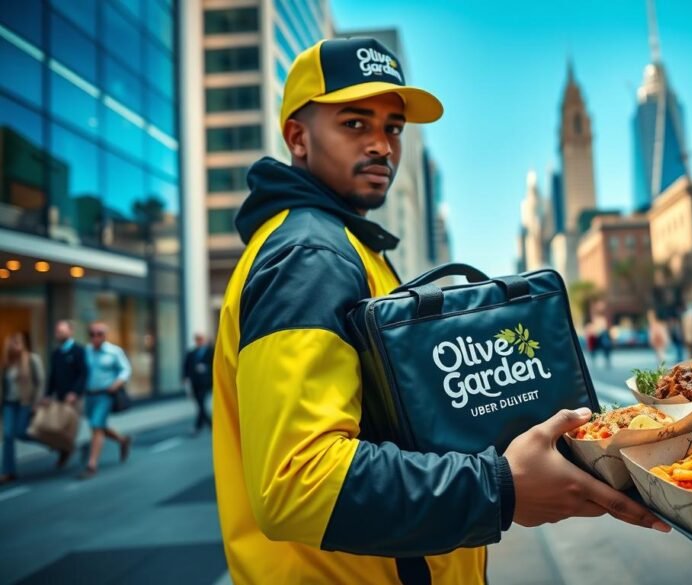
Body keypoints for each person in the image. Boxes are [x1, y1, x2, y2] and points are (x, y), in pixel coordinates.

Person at [209, 38, 666, 584]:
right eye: (355, 124)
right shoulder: (310, 257)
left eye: (394, 128)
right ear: (298, 137)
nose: (382, 145)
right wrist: (501, 487)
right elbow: (297, 480)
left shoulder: (348, 248)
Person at [81, 322, 132, 479]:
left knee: (96, 426)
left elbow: (126, 370)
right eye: (92, 334)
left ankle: (92, 464)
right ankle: (122, 440)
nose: (95, 337)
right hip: (89, 395)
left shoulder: (114, 351)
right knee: (97, 425)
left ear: (105, 335)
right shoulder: (86, 351)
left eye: (99, 334)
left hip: (106, 394)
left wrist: (116, 384)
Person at [1, 332, 45, 485]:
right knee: (8, 435)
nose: (16, 346)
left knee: (21, 432)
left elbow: (40, 382)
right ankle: (8, 471)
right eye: (13, 343)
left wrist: (36, 402)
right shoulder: (6, 364)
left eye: (18, 343)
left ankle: (51, 441)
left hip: (25, 403)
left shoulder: (32, 359)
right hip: (9, 403)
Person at [43, 320, 88, 468]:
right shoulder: (56, 353)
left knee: (70, 428)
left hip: (75, 398)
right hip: (60, 397)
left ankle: (67, 452)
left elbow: (83, 374)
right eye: (57, 332)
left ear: (70, 331)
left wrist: (75, 392)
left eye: (62, 331)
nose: (59, 334)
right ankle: (70, 449)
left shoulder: (79, 351)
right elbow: (52, 376)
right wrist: (48, 395)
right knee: (57, 427)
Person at [183, 333, 214, 435]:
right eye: (197, 340)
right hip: (194, 383)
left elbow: (215, 366)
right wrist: (185, 379)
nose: (199, 341)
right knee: (200, 405)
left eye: (200, 339)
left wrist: (206, 368)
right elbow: (186, 367)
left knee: (201, 404)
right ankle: (206, 425)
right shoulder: (191, 353)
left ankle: (200, 426)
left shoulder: (210, 351)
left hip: (205, 383)